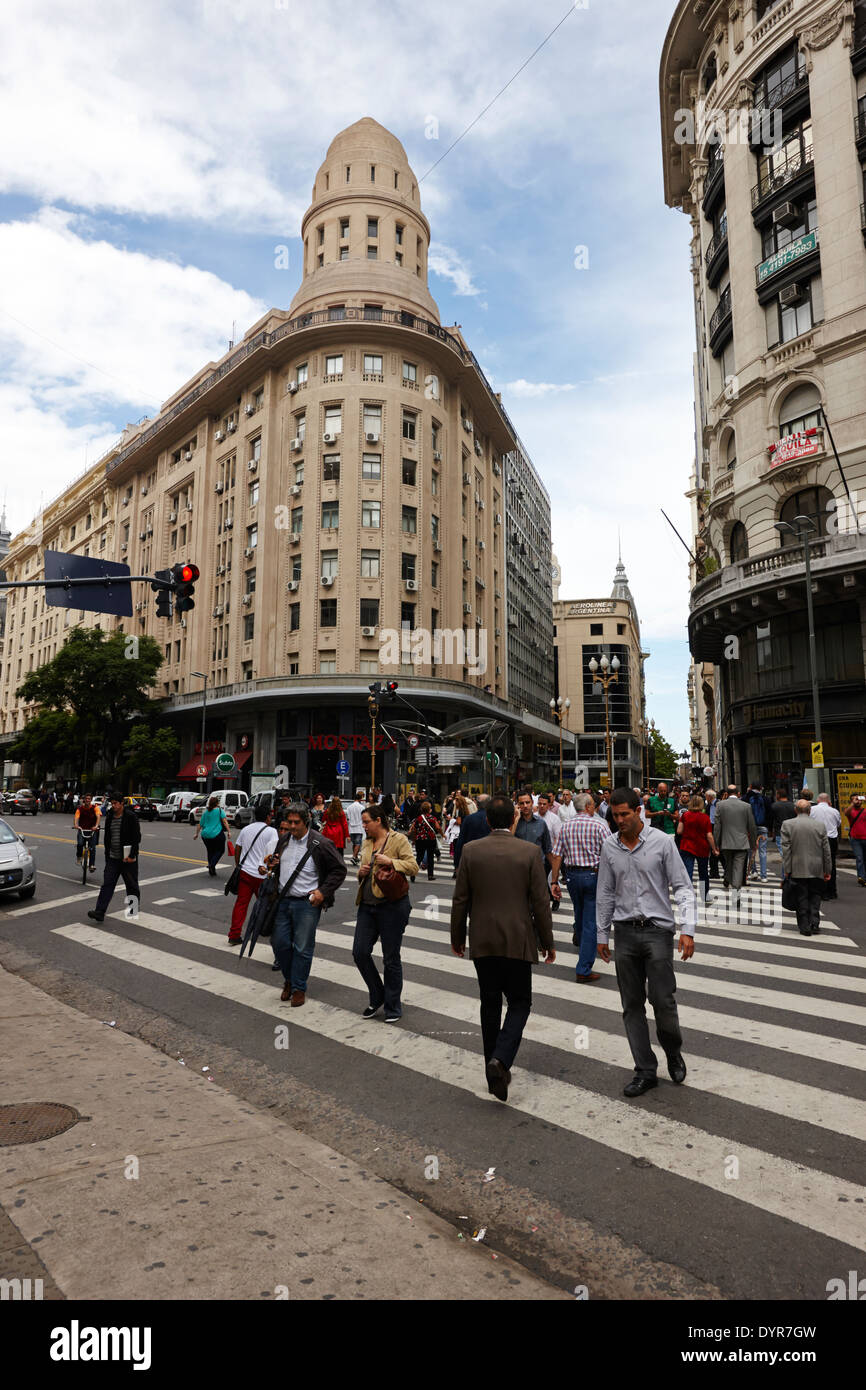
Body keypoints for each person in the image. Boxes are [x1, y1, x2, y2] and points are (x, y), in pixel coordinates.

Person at [450, 793, 556, 1102]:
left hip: (483, 939)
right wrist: (547, 942)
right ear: (513, 819)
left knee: (490, 1002)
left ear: (485, 820)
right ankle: (501, 1059)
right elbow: (540, 903)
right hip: (518, 939)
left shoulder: (470, 851)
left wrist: (457, 937)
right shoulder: (529, 852)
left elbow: (460, 899)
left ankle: (491, 1065)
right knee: (520, 1002)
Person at [596, 788, 697, 1097]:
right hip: (625, 932)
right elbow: (605, 892)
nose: (620, 820)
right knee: (631, 1005)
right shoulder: (609, 846)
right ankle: (645, 1070)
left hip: (658, 932)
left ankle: (672, 1049)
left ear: (639, 811)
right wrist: (601, 933)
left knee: (663, 1000)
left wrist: (688, 929)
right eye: (615, 815)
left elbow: (682, 886)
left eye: (625, 814)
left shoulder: (662, 843)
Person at [265, 802, 347, 1005]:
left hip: (306, 904)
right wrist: (272, 865)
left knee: (302, 947)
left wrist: (323, 892)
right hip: (283, 900)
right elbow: (278, 866)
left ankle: (298, 987)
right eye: (289, 822)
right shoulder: (283, 840)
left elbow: (339, 869)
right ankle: (290, 980)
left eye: (296, 823)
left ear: (306, 821)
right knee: (279, 943)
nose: (292, 827)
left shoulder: (321, 843)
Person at [352, 803, 419, 1021]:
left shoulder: (397, 840)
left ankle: (392, 1005)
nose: (363, 826)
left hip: (392, 905)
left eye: (366, 822)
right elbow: (364, 873)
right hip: (367, 905)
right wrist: (361, 874)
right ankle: (377, 994)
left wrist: (391, 861)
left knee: (391, 958)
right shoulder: (366, 842)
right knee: (359, 952)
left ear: (378, 820)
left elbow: (413, 866)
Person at [550, 792, 611, 983]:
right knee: (591, 921)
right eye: (593, 804)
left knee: (580, 913)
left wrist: (554, 881)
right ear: (588, 806)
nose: (594, 807)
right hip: (593, 875)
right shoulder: (599, 825)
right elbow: (610, 852)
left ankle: (581, 937)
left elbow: (557, 855)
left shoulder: (566, 826)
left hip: (572, 876)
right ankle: (583, 968)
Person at [228, 806, 278, 946]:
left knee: (241, 904)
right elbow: (273, 853)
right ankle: (266, 930)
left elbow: (238, 848)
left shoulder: (246, 829)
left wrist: (239, 865)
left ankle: (234, 934)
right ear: (268, 816)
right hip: (262, 874)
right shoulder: (271, 832)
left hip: (246, 872)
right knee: (265, 906)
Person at [87, 792, 141, 923]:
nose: (114, 806)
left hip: (127, 859)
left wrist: (132, 855)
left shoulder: (130, 816)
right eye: (112, 803)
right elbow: (108, 836)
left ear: (122, 803)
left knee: (132, 885)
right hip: (113, 858)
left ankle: (133, 909)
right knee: (107, 885)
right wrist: (107, 854)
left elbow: (136, 837)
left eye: (116, 803)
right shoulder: (110, 815)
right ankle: (100, 912)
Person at [780, 800, 831, 936]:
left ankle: (804, 925)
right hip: (817, 867)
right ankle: (814, 922)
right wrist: (828, 869)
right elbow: (826, 850)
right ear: (810, 810)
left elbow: (786, 850)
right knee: (815, 895)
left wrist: (787, 869)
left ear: (796, 810)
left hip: (797, 866)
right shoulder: (819, 825)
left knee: (801, 896)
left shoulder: (787, 824)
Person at [712, 785, 757, 896]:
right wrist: (753, 843)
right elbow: (751, 826)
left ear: (727, 794)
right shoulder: (746, 806)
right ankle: (736, 891)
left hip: (726, 842)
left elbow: (717, 826)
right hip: (741, 842)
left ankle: (729, 880)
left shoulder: (720, 805)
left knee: (729, 865)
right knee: (738, 868)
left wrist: (716, 843)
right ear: (738, 793)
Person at [676, 794, 717, 904]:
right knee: (703, 872)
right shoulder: (705, 817)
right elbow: (709, 835)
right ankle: (705, 896)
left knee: (688, 872)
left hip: (687, 846)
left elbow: (679, 831)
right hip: (702, 847)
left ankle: (687, 896)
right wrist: (714, 849)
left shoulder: (685, 815)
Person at [810, 793, 841, 899]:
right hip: (831, 839)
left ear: (818, 801)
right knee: (831, 863)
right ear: (829, 802)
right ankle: (832, 890)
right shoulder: (835, 811)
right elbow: (838, 824)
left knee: (818, 863)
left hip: (817, 838)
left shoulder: (812, 810)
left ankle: (820, 890)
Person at [194, 795, 232, 875]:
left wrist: (196, 834)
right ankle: (212, 865)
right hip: (216, 834)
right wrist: (229, 831)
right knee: (220, 850)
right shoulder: (219, 811)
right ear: (217, 803)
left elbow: (200, 824)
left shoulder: (206, 812)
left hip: (205, 835)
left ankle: (212, 869)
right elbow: (225, 822)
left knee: (210, 850)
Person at [453, 793, 491, 871]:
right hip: (490, 858)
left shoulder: (469, 819)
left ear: (477, 804)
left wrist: (457, 863)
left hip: (472, 858)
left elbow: (461, 841)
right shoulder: (494, 818)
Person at [409, 799, 441, 881]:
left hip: (420, 840)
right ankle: (430, 875)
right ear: (429, 809)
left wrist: (414, 840)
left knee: (419, 857)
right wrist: (441, 833)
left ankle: (413, 874)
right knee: (430, 857)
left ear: (421, 809)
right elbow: (437, 827)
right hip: (431, 839)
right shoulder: (433, 818)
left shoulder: (418, 819)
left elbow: (414, 829)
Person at [746, 783, 772, 882]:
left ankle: (753, 871)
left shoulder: (747, 798)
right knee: (763, 851)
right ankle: (764, 875)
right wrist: (768, 827)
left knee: (751, 850)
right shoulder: (766, 799)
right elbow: (770, 813)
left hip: (750, 828)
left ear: (751, 788)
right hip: (763, 827)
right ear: (761, 788)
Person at [73, 792, 101, 872]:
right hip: (82, 829)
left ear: (91, 800)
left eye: (89, 799)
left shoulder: (95, 808)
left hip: (92, 830)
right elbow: (76, 818)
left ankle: (92, 865)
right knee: (80, 844)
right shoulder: (80, 809)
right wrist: (76, 825)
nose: (87, 800)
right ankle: (79, 857)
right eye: (86, 799)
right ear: (84, 800)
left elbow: (98, 816)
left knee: (92, 847)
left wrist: (96, 826)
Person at [770, 791, 797, 868]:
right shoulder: (793, 805)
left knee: (784, 855)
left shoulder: (774, 806)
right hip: (792, 832)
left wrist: (771, 831)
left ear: (778, 795)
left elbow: (771, 819)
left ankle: (786, 876)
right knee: (791, 854)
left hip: (780, 832)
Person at [844, 795, 866, 885]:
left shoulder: (864, 811)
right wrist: (853, 803)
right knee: (859, 858)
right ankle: (861, 877)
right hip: (855, 839)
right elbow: (846, 813)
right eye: (855, 799)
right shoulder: (850, 811)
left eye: (859, 799)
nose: (858, 801)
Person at [345, 791, 366, 864]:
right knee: (358, 843)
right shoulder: (362, 807)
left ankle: (356, 857)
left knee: (354, 843)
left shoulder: (349, 807)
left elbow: (347, 817)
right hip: (359, 827)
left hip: (351, 827)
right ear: (360, 798)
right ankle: (354, 856)